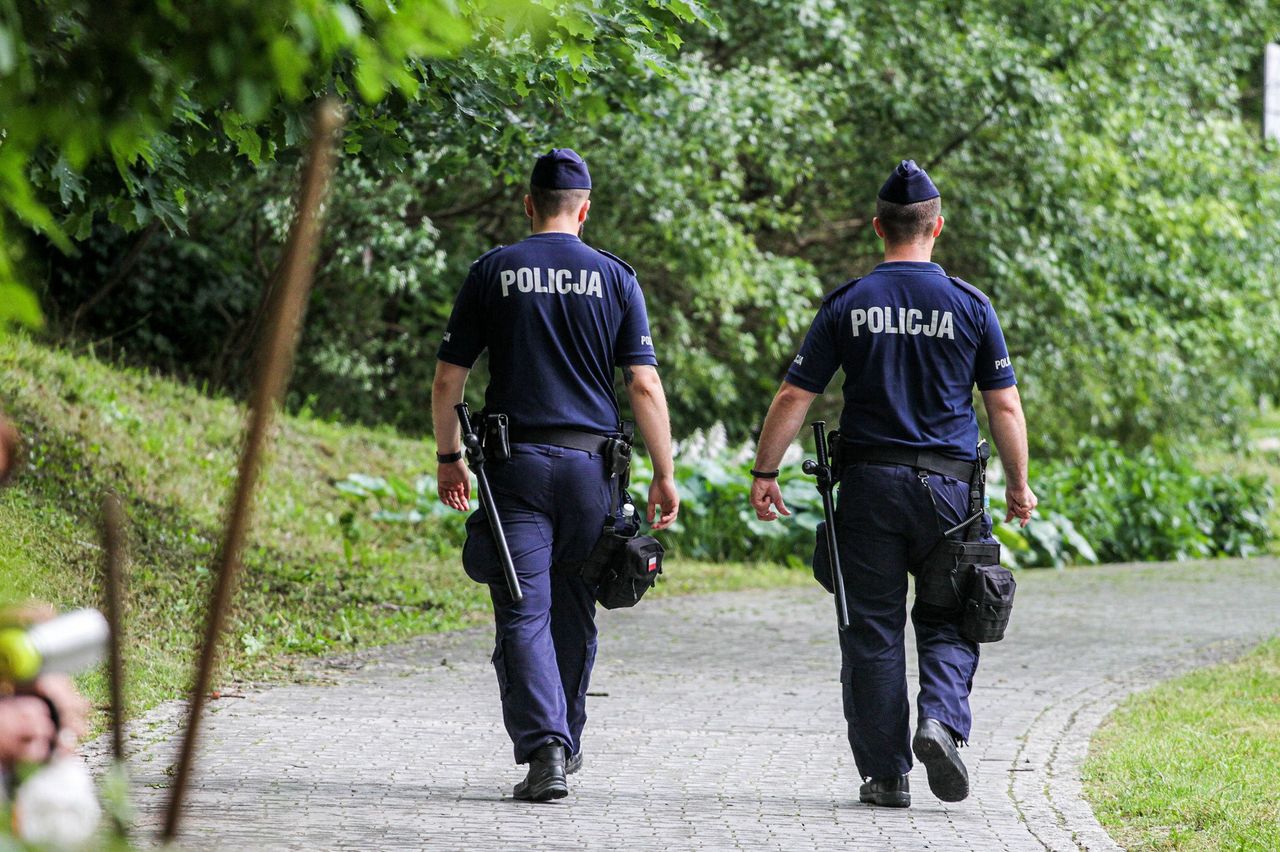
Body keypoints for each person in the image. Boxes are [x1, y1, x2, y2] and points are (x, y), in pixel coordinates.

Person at [748, 160, 1036, 808]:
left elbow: (797, 392)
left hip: (870, 489)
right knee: (952, 616)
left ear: (879, 227)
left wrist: (766, 472)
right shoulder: (970, 304)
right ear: (938, 226)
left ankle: (885, 774)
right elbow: (1005, 407)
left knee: (871, 630)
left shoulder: (849, 302)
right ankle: (939, 720)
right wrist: (1019, 484)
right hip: (952, 495)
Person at [432, 148, 680, 802]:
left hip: (514, 470)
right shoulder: (615, 277)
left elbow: (449, 378)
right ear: (585, 209)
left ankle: (545, 748)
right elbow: (643, 383)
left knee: (523, 608)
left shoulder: (494, 271)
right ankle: (565, 741)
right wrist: (664, 472)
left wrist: (449, 456)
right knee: (574, 607)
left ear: (528, 204)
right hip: (592, 472)